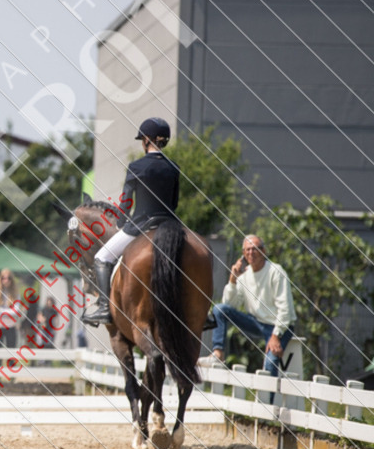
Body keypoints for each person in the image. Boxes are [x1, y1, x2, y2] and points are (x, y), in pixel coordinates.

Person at [83, 118, 180, 326]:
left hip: (141, 225)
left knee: (102, 257)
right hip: (170, 225)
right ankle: (204, 313)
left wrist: (120, 222)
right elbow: (174, 203)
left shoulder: (136, 166)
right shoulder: (173, 168)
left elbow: (126, 202)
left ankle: (103, 307)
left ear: (146, 140)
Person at [203, 235, 296, 394]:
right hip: (256, 323)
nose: (251, 252)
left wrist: (276, 335)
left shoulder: (276, 271)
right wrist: (232, 280)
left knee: (270, 363)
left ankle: (268, 409)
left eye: (255, 248)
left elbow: (285, 310)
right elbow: (229, 305)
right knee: (219, 309)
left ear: (264, 252)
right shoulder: (244, 277)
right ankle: (218, 353)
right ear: (243, 254)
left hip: (279, 326)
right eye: (247, 249)